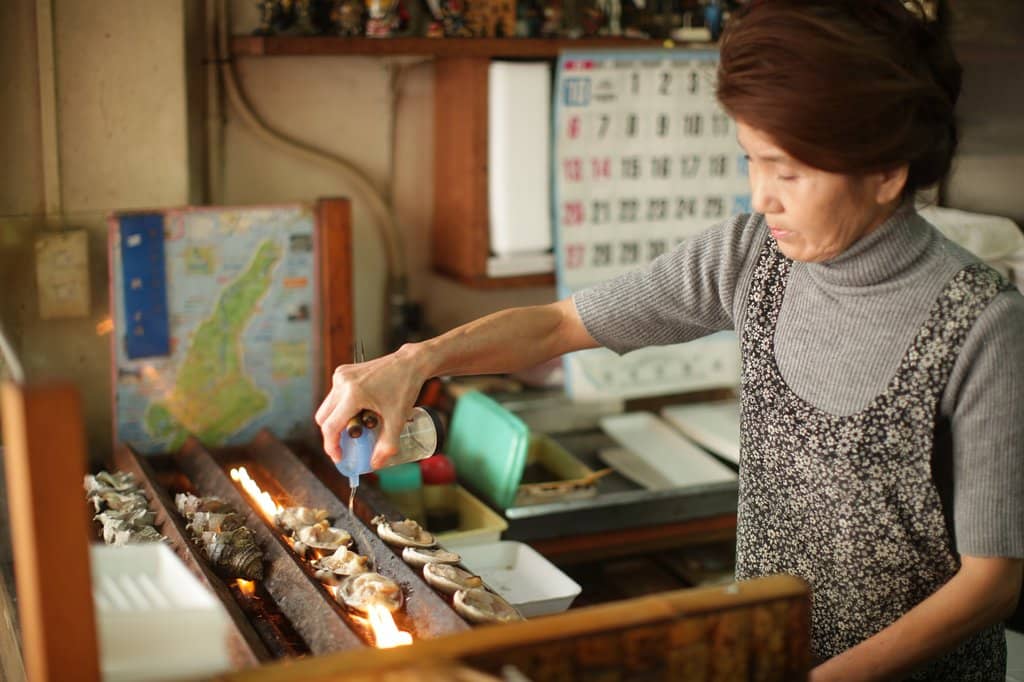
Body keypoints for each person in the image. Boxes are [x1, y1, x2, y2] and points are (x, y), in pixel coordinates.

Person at [316, 1, 1024, 678]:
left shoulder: (980, 325)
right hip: (765, 655)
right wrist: (414, 362)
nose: (760, 197)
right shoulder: (752, 258)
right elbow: (562, 324)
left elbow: (991, 582)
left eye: (788, 172)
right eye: (752, 160)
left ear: (886, 172)